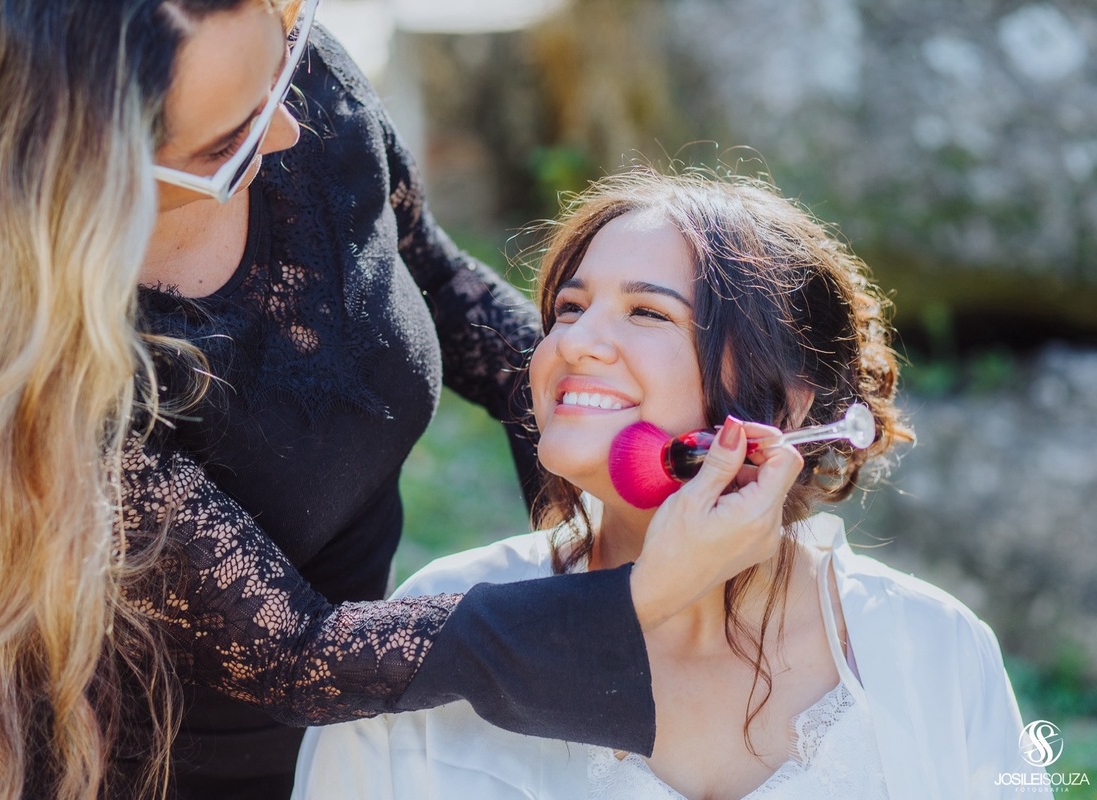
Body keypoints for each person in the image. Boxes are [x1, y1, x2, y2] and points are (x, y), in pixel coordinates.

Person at [0, 3, 804, 800]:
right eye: (227, 145)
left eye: (285, 55)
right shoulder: (49, 374)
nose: (289, 129)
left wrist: (617, 458)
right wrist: (642, 594)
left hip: (365, 727)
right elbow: (298, 655)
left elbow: (439, 286)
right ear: (77, 176)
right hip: (160, 770)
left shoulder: (290, 87)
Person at [295, 168, 1040, 799]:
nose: (572, 343)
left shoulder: (930, 648)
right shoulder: (435, 631)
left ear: (788, 400)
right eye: (569, 308)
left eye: (647, 312)